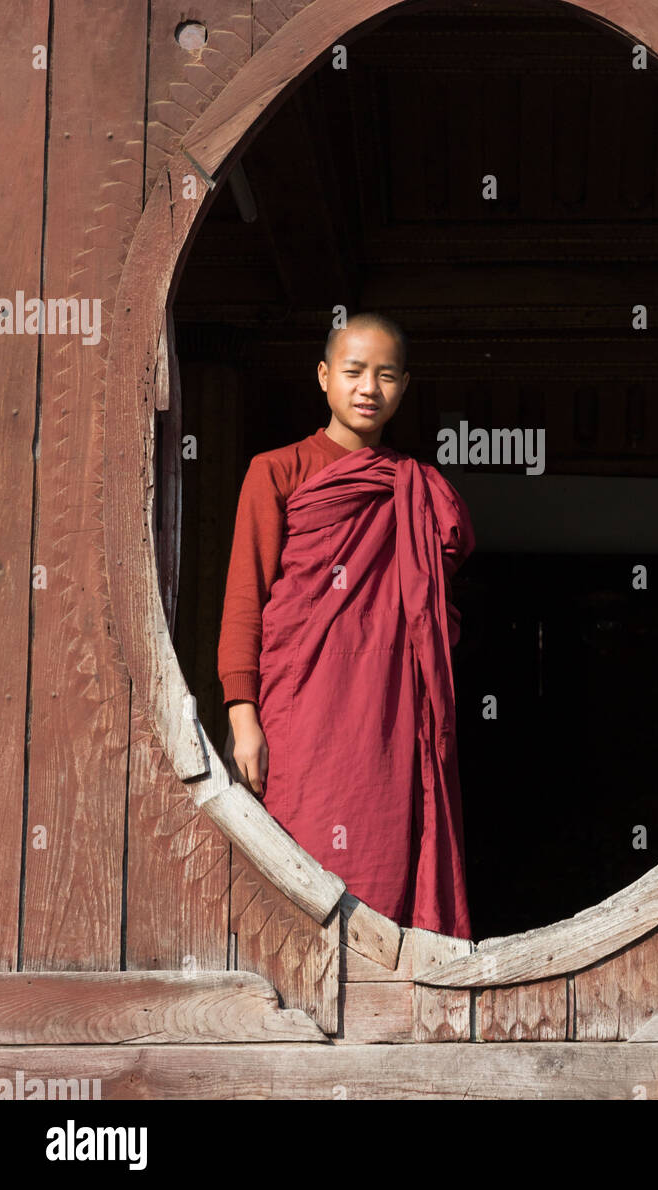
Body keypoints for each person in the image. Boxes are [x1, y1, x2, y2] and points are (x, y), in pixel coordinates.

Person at [217, 312, 475, 939]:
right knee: (294, 859)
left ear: (404, 386)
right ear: (324, 378)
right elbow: (245, 598)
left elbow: (428, 601)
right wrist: (242, 716)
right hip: (298, 707)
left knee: (380, 862)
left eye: (386, 376)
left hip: (384, 717)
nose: (369, 388)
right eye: (354, 372)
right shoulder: (276, 471)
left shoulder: (414, 487)